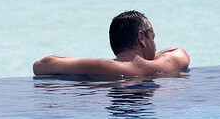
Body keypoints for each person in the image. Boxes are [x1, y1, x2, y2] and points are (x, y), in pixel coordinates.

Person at [32, 11, 190, 80]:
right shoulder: (165, 64)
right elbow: (179, 52)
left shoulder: (103, 66)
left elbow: (41, 66)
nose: (155, 47)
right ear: (141, 37)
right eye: (153, 38)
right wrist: (151, 60)